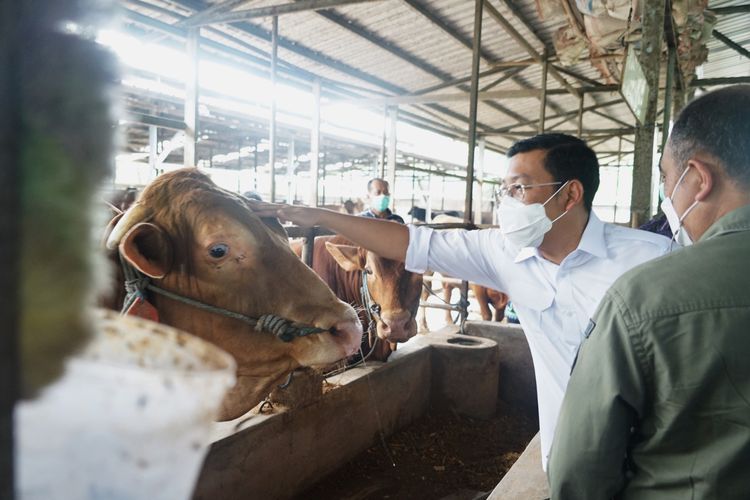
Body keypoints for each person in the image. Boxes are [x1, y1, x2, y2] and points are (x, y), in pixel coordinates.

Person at [253, 133, 671, 470]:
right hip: (567, 453)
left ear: (570, 193)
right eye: (503, 190)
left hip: (653, 456)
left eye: (520, 188)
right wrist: (317, 216)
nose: (507, 202)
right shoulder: (503, 252)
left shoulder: (654, 259)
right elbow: (410, 242)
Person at [548, 85, 750, 499]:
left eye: (665, 176)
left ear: (698, 178)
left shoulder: (642, 297)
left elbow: (580, 469)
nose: (666, 193)